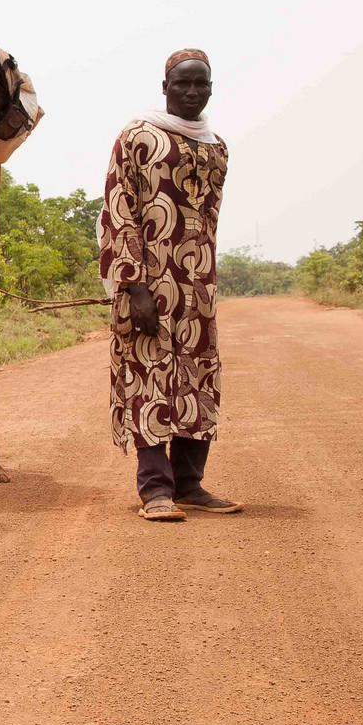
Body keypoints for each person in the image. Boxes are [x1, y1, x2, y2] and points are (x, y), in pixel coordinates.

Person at [98, 48, 243, 521]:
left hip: (199, 291)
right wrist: (134, 286)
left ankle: (190, 486)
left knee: (195, 382)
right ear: (165, 87)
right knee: (149, 380)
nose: (192, 92)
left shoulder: (217, 147)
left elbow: (208, 222)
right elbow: (121, 212)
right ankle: (155, 491)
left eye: (201, 84)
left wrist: (203, 284)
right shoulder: (137, 136)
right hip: (149, 288)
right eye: (182, 83)